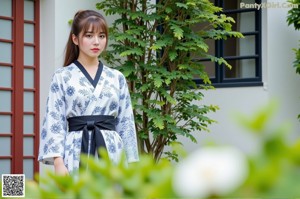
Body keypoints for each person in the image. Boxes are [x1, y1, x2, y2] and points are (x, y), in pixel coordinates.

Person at [38, 10, 139, 175]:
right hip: (75, 151)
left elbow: (126, 122)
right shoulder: (62, 77)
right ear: (75, 39)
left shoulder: (117, 77)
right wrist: (58, 162)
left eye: (101, 36)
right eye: (89, 35)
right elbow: (54, 120)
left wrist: (132, 164)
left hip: (112, 152)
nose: (96, 42)